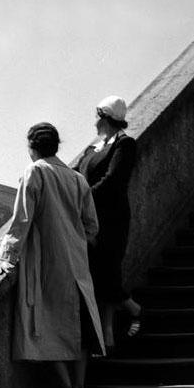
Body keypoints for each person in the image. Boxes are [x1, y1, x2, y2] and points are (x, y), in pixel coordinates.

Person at [0, 121, 104, 388]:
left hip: (46, 262)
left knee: (46, 324)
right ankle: (79, 386)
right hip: (78, 265)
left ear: (32, 147)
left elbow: (21, 220)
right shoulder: (77, 179)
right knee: (79, 327)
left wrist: (8, 256)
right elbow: (92, 227)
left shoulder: (35, 172)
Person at [74, 95, 143, 349]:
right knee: (99, 275)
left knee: (106, 273)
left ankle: (134, 309)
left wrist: (82, 198)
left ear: (104, 117)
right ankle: (108, 336)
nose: (94, 121)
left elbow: (114, 180)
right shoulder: (93, 148)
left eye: (97, 115)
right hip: (90, 220)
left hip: (111, 221)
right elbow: (76, 176)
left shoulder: (125, 145)